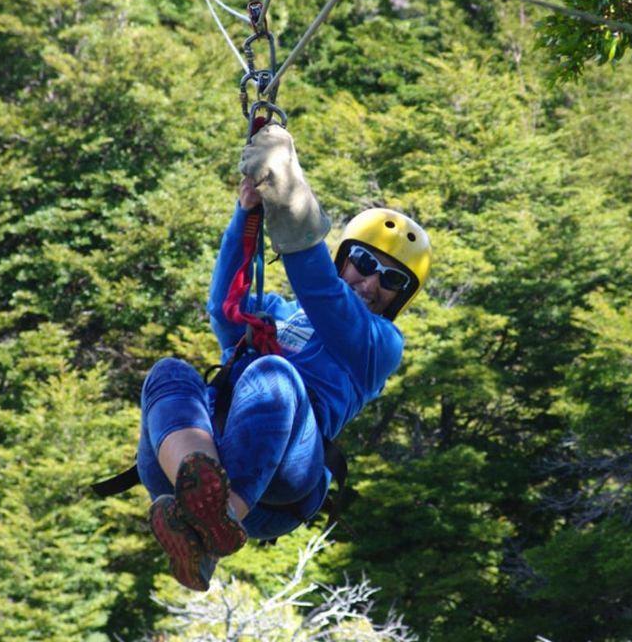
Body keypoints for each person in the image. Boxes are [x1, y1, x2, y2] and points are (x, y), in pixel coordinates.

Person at [134, 124, 431, 590]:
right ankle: (194, 517)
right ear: (345, 259)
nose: (372, 284)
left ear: (400, 300)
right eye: (366, 264)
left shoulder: (380, 345)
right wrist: (246, 212)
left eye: (392, 281)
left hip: (280, 479)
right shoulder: (277, 313)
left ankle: (220, 516)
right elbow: (224, 309)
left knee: (275, 373)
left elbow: (324, 295)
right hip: (198, 452)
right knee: (168, 373)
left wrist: (288, 191)